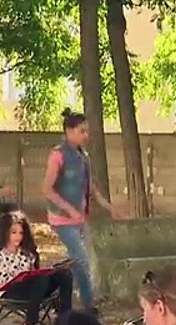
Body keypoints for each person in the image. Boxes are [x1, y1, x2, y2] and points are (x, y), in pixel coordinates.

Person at [43, 108, 120, 313]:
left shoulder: (83, 157)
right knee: (82, 260)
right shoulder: (57, 155)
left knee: (80, 260)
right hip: (61, 219)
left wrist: (107, 206)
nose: (86, 136)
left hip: (80, 218)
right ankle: (88, 306)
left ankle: (60, 292)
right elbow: (47, 189)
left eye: (87, 131)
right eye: (82, 131)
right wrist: (68, 209)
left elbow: (90, 186)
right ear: (69, 131)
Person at [0, 206, 73, 325]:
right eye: (13, 232)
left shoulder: (27, 255)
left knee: (64, 273)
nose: (18, 236)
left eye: (21, 233)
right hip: (9, 292)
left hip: (31, 291)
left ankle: (65, 320)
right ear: (4, 233)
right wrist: (4, 284)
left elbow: (34, 277)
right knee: (40, 279)